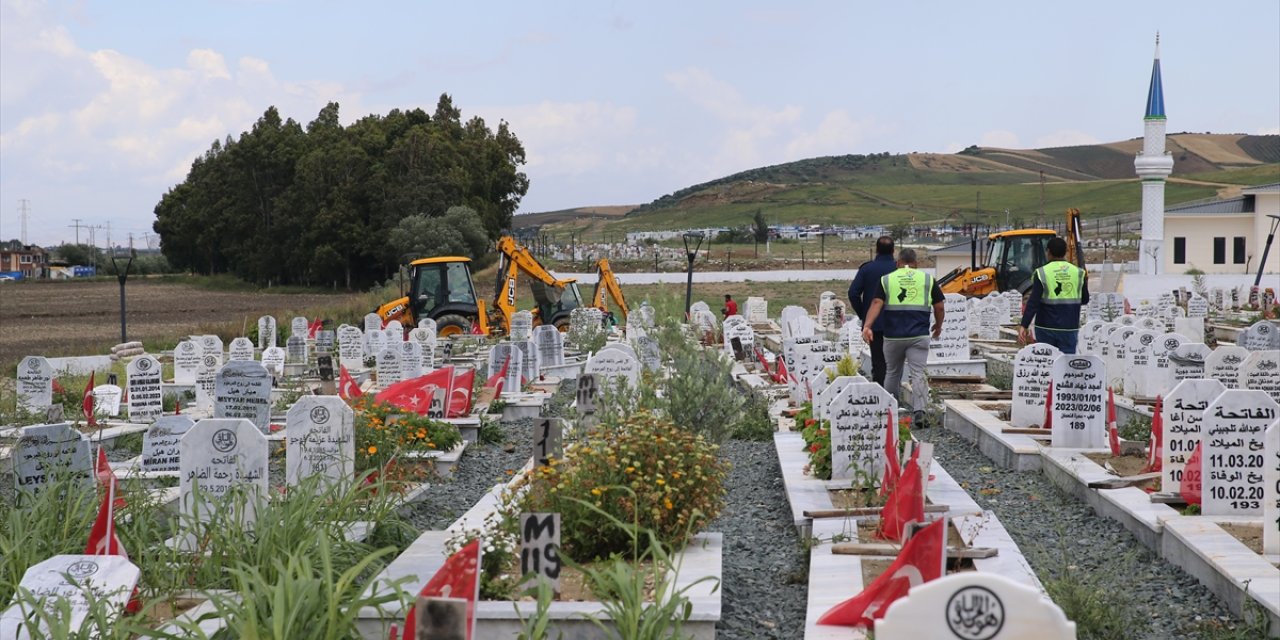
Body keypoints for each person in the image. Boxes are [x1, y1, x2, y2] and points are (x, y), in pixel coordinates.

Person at [861, 248, 944, 425]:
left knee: (892, 371)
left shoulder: (887, 280)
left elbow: (876, 303)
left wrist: (867, 326)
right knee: (918, 373)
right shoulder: (928, 280)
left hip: (893, 336)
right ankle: (920, 412)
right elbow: (939, 307)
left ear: (897, 263)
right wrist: (938, 325)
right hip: (918, 335)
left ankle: (890, 409)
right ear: (917, 263)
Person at [1019, 237, 1089, 353]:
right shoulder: (1079, 273)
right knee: (1066, 364)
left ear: (1048, 252)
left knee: (1047, 363)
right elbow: (1085, 299)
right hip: (1069, 327)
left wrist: (1024, 325)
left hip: (1045, 328)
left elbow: (1033, 302)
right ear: (1065, 252)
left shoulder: (1042, 273)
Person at [848, 236, 897, 385]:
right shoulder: (899, 269)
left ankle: (881, 395)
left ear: (876, 250)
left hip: (874, 324)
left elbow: (853, 293)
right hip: (897, 323)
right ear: (894, 251)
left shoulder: (867, 269)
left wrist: (864, 314)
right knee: (895, 362)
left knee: (878, 361)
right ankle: (894, 395)